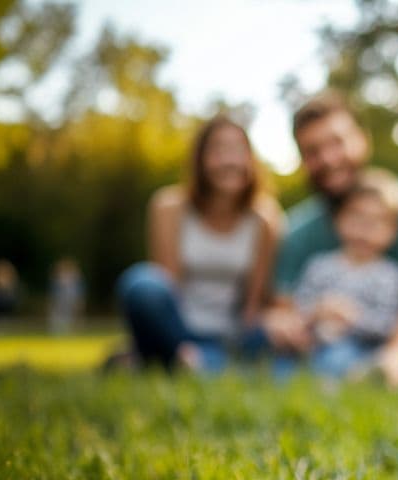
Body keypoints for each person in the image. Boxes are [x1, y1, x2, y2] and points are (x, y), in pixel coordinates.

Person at [266, 90, 398, 387]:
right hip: (329, 348)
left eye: (337, 143)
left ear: (362, 139)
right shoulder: (298, 232)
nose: (328, 159)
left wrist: (396, 360)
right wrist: (289, 324)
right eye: (313, 151)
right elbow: (283, 305)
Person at [115, 114, 283, 372]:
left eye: (238, 150)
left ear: (251, 160)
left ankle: (165, 361)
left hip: (227, 334)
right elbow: (166, 285)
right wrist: (179, 339)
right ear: (201, 160)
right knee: (142, 284)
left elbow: (253, 303)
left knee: (260, 339)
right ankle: (180, 355)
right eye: (218, 150)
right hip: (178, 325)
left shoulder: (266, 218)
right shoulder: (168, 206)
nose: (229, 160)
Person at [280, 168, 398, 380]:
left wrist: (353, 318)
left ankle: (346, 380)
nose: (364, 229)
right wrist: (316, 312)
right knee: (283, 362)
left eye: (376, 222)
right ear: (339, 220)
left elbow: (388, 324)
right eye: (357, 218)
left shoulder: (390, 275)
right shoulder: (320, 265)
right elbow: (299, 305)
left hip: (357, 346)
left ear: (393, 231)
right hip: (312, 341)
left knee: (340, 358)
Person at [48, 257, 84, 335]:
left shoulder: (76, 283)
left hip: (70, 308)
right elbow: (53, 298)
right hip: (59, 309)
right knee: (59, 327)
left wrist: (77, 307)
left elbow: (78, 298)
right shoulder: (56, 282)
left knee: (72, 328)